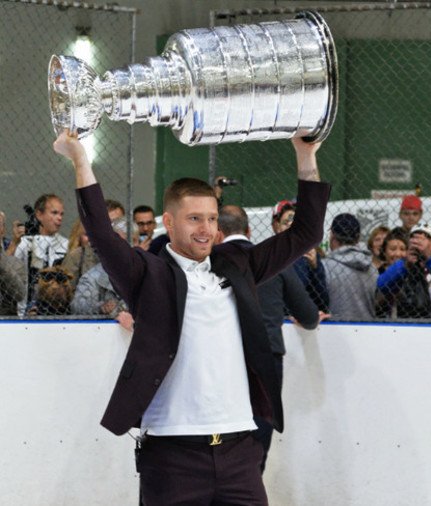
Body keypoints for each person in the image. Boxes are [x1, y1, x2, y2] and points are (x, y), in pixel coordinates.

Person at [53, 130, 329, 505]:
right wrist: (81, 161)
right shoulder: (146, 274)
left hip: (239, 453)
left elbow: (307, 232)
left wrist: (305, 154)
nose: (206, 230)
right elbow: (101, 234)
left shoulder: (239, 264)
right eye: (195, 218)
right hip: (171, 458)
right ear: (169, 220)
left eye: (212, 218)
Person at [218, 204, 324, 473]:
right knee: (257, 441)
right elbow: (309, 316)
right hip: (267, 356)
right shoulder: (273, 259)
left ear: (217, 232)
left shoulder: (210, 262)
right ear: (249, 229)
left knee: (219, 439)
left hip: (224, 356)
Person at [375, 223, 431, 320]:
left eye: (426, 238)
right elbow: (381, 284)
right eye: (414, 238)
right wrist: (405, 264)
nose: (419, 243)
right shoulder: (401, 267)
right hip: (401, 327)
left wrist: (430, 257)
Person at [14, 193, 67, 315]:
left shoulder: (65, 245)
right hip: (24, 312)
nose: (59, 218)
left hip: (57, 311)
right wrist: (14, 243)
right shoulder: (24, 243)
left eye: (61, 214)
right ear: (39, 214)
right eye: (54, 213)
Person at [320, 213, 378, 320]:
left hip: (334, 329)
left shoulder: (324, 267)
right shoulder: (372, 268)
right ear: (358, 237)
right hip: (369, 328)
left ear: (332, 235)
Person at [61, 218, 98, 284]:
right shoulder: (74, 256)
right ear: (79, 237)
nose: (91, 239)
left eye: (95, 235)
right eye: (87, 235)